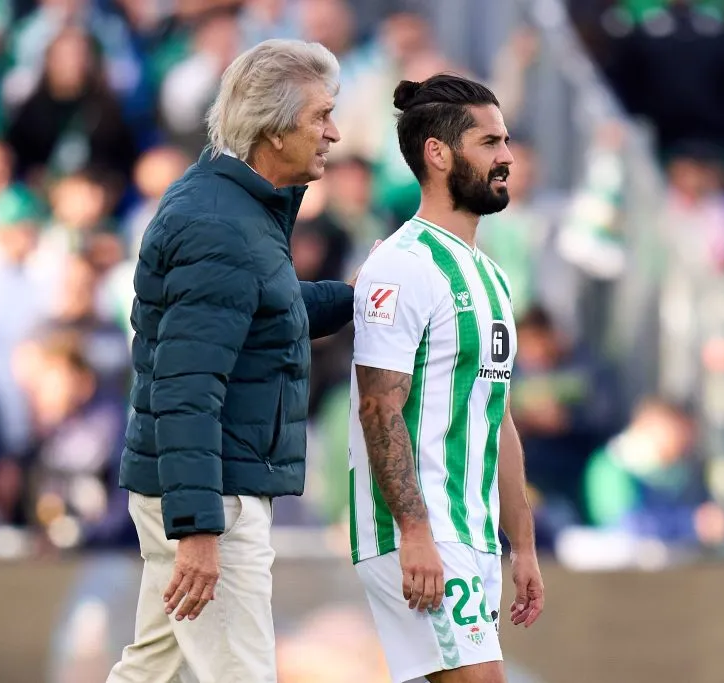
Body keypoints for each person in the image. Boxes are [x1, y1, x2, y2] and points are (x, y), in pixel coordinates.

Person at [107, 39, 355, 683]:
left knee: (152, 672)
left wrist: (357, 299)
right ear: (273, 129)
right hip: (212, 493)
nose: (333, 133)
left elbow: (261, 312)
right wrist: (198, 527)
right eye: (321, 116)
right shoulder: (221, 223)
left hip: (202, 484)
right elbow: (185, 386)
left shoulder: (232, 208)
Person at [348, 74, 544, 683]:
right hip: (420, 531)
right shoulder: (401, 265)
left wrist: (522, 545)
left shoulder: (492, 276)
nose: (506, 156)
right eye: (489, 142)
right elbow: (379, 407)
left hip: (474, 534)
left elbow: (495, 413)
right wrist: (414, 533)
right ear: (437, 153)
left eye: (505, 140)